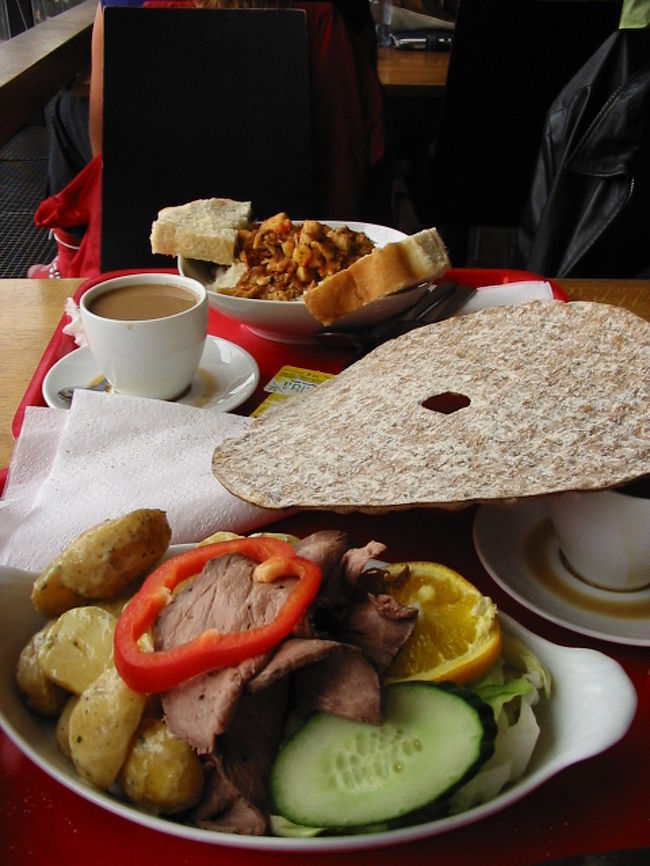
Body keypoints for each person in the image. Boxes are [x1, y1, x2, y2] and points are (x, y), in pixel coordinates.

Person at [28, 0, 385, 277]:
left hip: (143, 272)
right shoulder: (327, 18)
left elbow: (110, 160)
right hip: (297, 277)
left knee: (65, 111)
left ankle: (64, 258)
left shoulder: (142, 12)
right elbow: (348, 169)